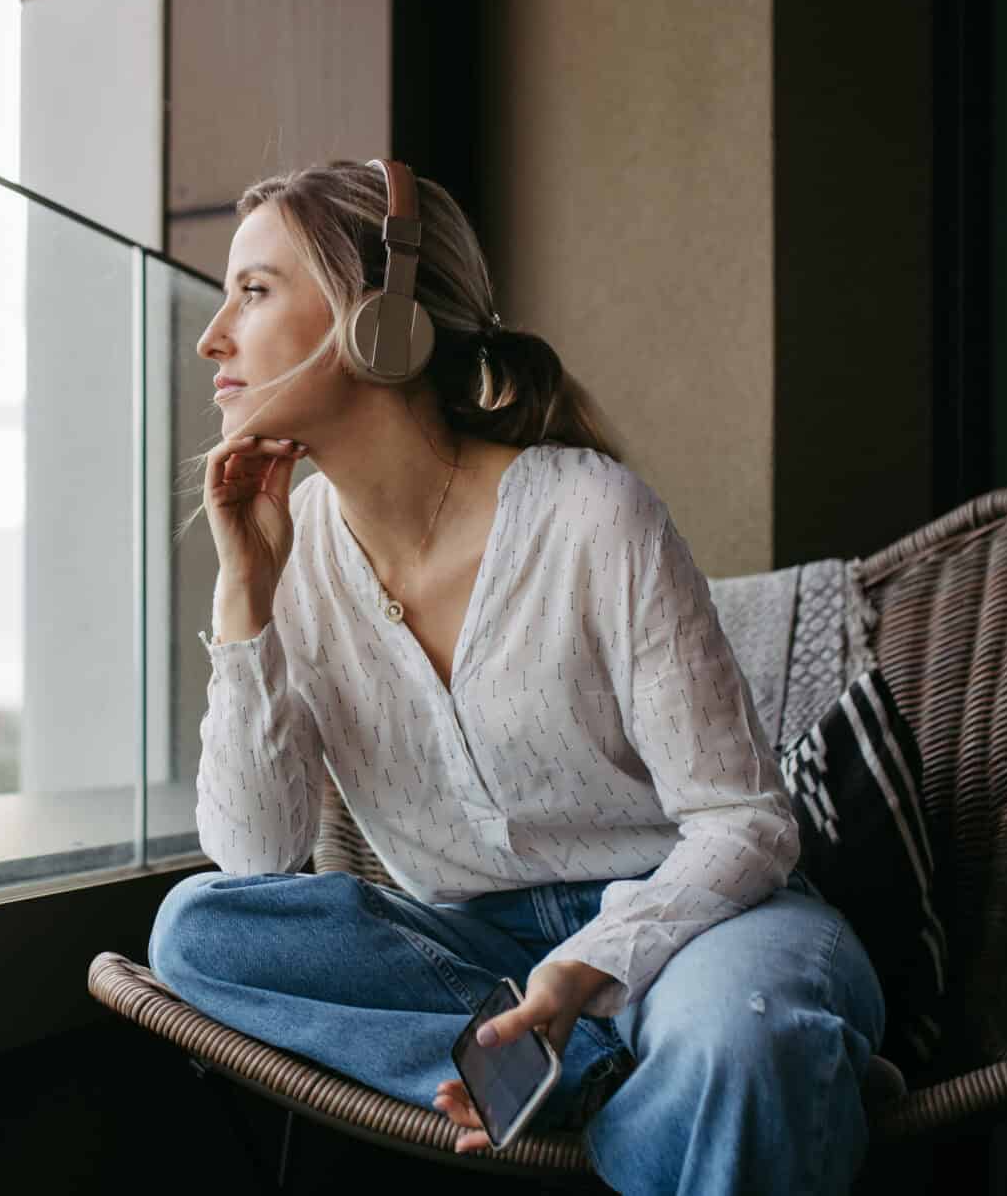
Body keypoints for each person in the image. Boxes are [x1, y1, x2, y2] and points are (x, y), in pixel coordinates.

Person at [147, 159, 886, 1196]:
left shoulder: (589, 515)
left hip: (696, 922)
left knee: (739, 1041)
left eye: (254, 290)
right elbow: (254, 859)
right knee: (195, 932)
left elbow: (745, 826)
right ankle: (591, 1071)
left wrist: (595, 962)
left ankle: (690, 1067)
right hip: (466, 954)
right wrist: (245, 595)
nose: (211, 335)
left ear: (380, 319)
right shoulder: (289, 549)